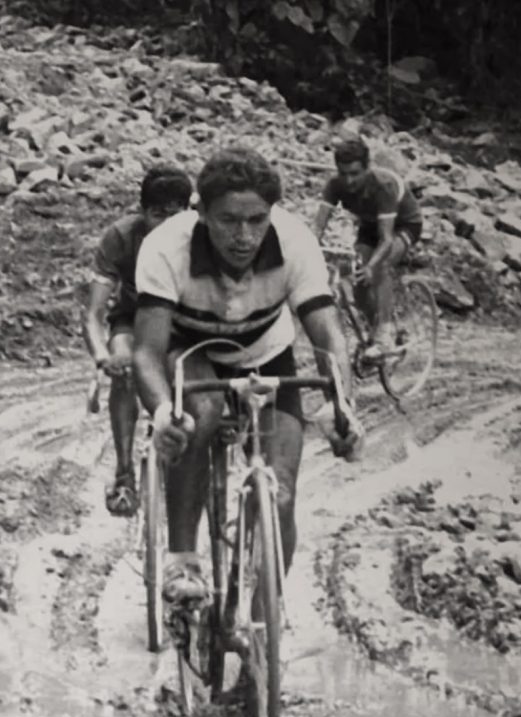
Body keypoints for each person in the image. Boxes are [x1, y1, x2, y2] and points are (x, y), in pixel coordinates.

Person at [133, 147, 365, 602]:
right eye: (228, 221)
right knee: (198, 411)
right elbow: (147, 352)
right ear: (201, 214)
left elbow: (326, 333)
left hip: (266, 352)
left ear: (272, 214)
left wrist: (343, 402)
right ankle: (183, 561)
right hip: (191, 351)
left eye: (257, 220)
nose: (244, 236)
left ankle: (262, 629)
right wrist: (163, 411)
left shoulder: (295, 241)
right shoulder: (165, 248)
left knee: (279, 494)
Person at [83, 165, 193, 517]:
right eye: (157, 214)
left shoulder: (202, 236)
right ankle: (124, 473)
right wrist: (103, 356)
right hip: (133, 319)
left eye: (175, 214)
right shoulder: (120, 237)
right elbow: (94, 313)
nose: (166, 223)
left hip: (187, 322)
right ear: (142, 211)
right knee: (124, 366)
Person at [310, 138, 423, 360]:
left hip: (404, 224)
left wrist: (372, 266)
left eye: (355, 173)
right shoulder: (335, 185)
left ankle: (385, 334)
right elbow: (318, 227)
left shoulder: (383, 185)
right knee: (358, 278)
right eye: (343, 173)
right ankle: (374, 327)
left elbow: (387, 239)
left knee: (380, 267)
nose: (349, 181)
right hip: (370, 225)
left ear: (367, 168)